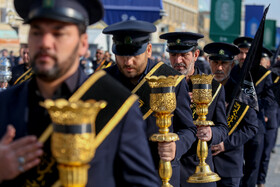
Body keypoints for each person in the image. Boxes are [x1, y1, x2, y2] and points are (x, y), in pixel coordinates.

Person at [0, 0, 159, 186]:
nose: (45, 42)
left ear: (83, 43)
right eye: (37, 32)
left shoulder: (117, 104)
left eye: (58, 33)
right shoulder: (4, 103)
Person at [103, 20, 197, 187]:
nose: (128, 62)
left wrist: (176, 146)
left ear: (148, 50)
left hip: (158, 174)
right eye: (122, 55)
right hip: (114, 174)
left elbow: (189, 129)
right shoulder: (102, 81)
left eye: (134, 55)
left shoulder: (171, 79)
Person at [159, 32, 228, 187]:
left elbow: (223, 128)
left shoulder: (213, 87)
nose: (178, 61)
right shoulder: (159, 84)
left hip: (200, 168)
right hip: (168, 168)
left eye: (184, 55)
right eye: (173, 54)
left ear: (196, 54)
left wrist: (211, 133)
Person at [204, 42, 258, 187]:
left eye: (224, 63)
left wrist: (225, 144)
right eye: (215, 62)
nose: (219, 68)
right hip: (202, 165)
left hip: (229, 166)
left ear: (232, 65)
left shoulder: (241, 93)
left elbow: (251, 127)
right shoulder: (201, 88)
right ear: (209, 62)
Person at [232, 37, 275, 187]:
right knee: (236, 166)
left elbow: (269, 99)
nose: (243, 56)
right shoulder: (232, 71)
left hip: (256, 126)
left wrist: (251, 106)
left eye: (247, 52)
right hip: (234, 127)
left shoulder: (263, 73)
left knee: (252, 166)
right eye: (240, 53)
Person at [257, 47, 279, 187]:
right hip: (259, 119)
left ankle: (261, 181)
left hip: (271, 120)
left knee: (265, 154)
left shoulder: (273, 74)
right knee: (255, 155)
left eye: (263, 60)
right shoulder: (260, 75)